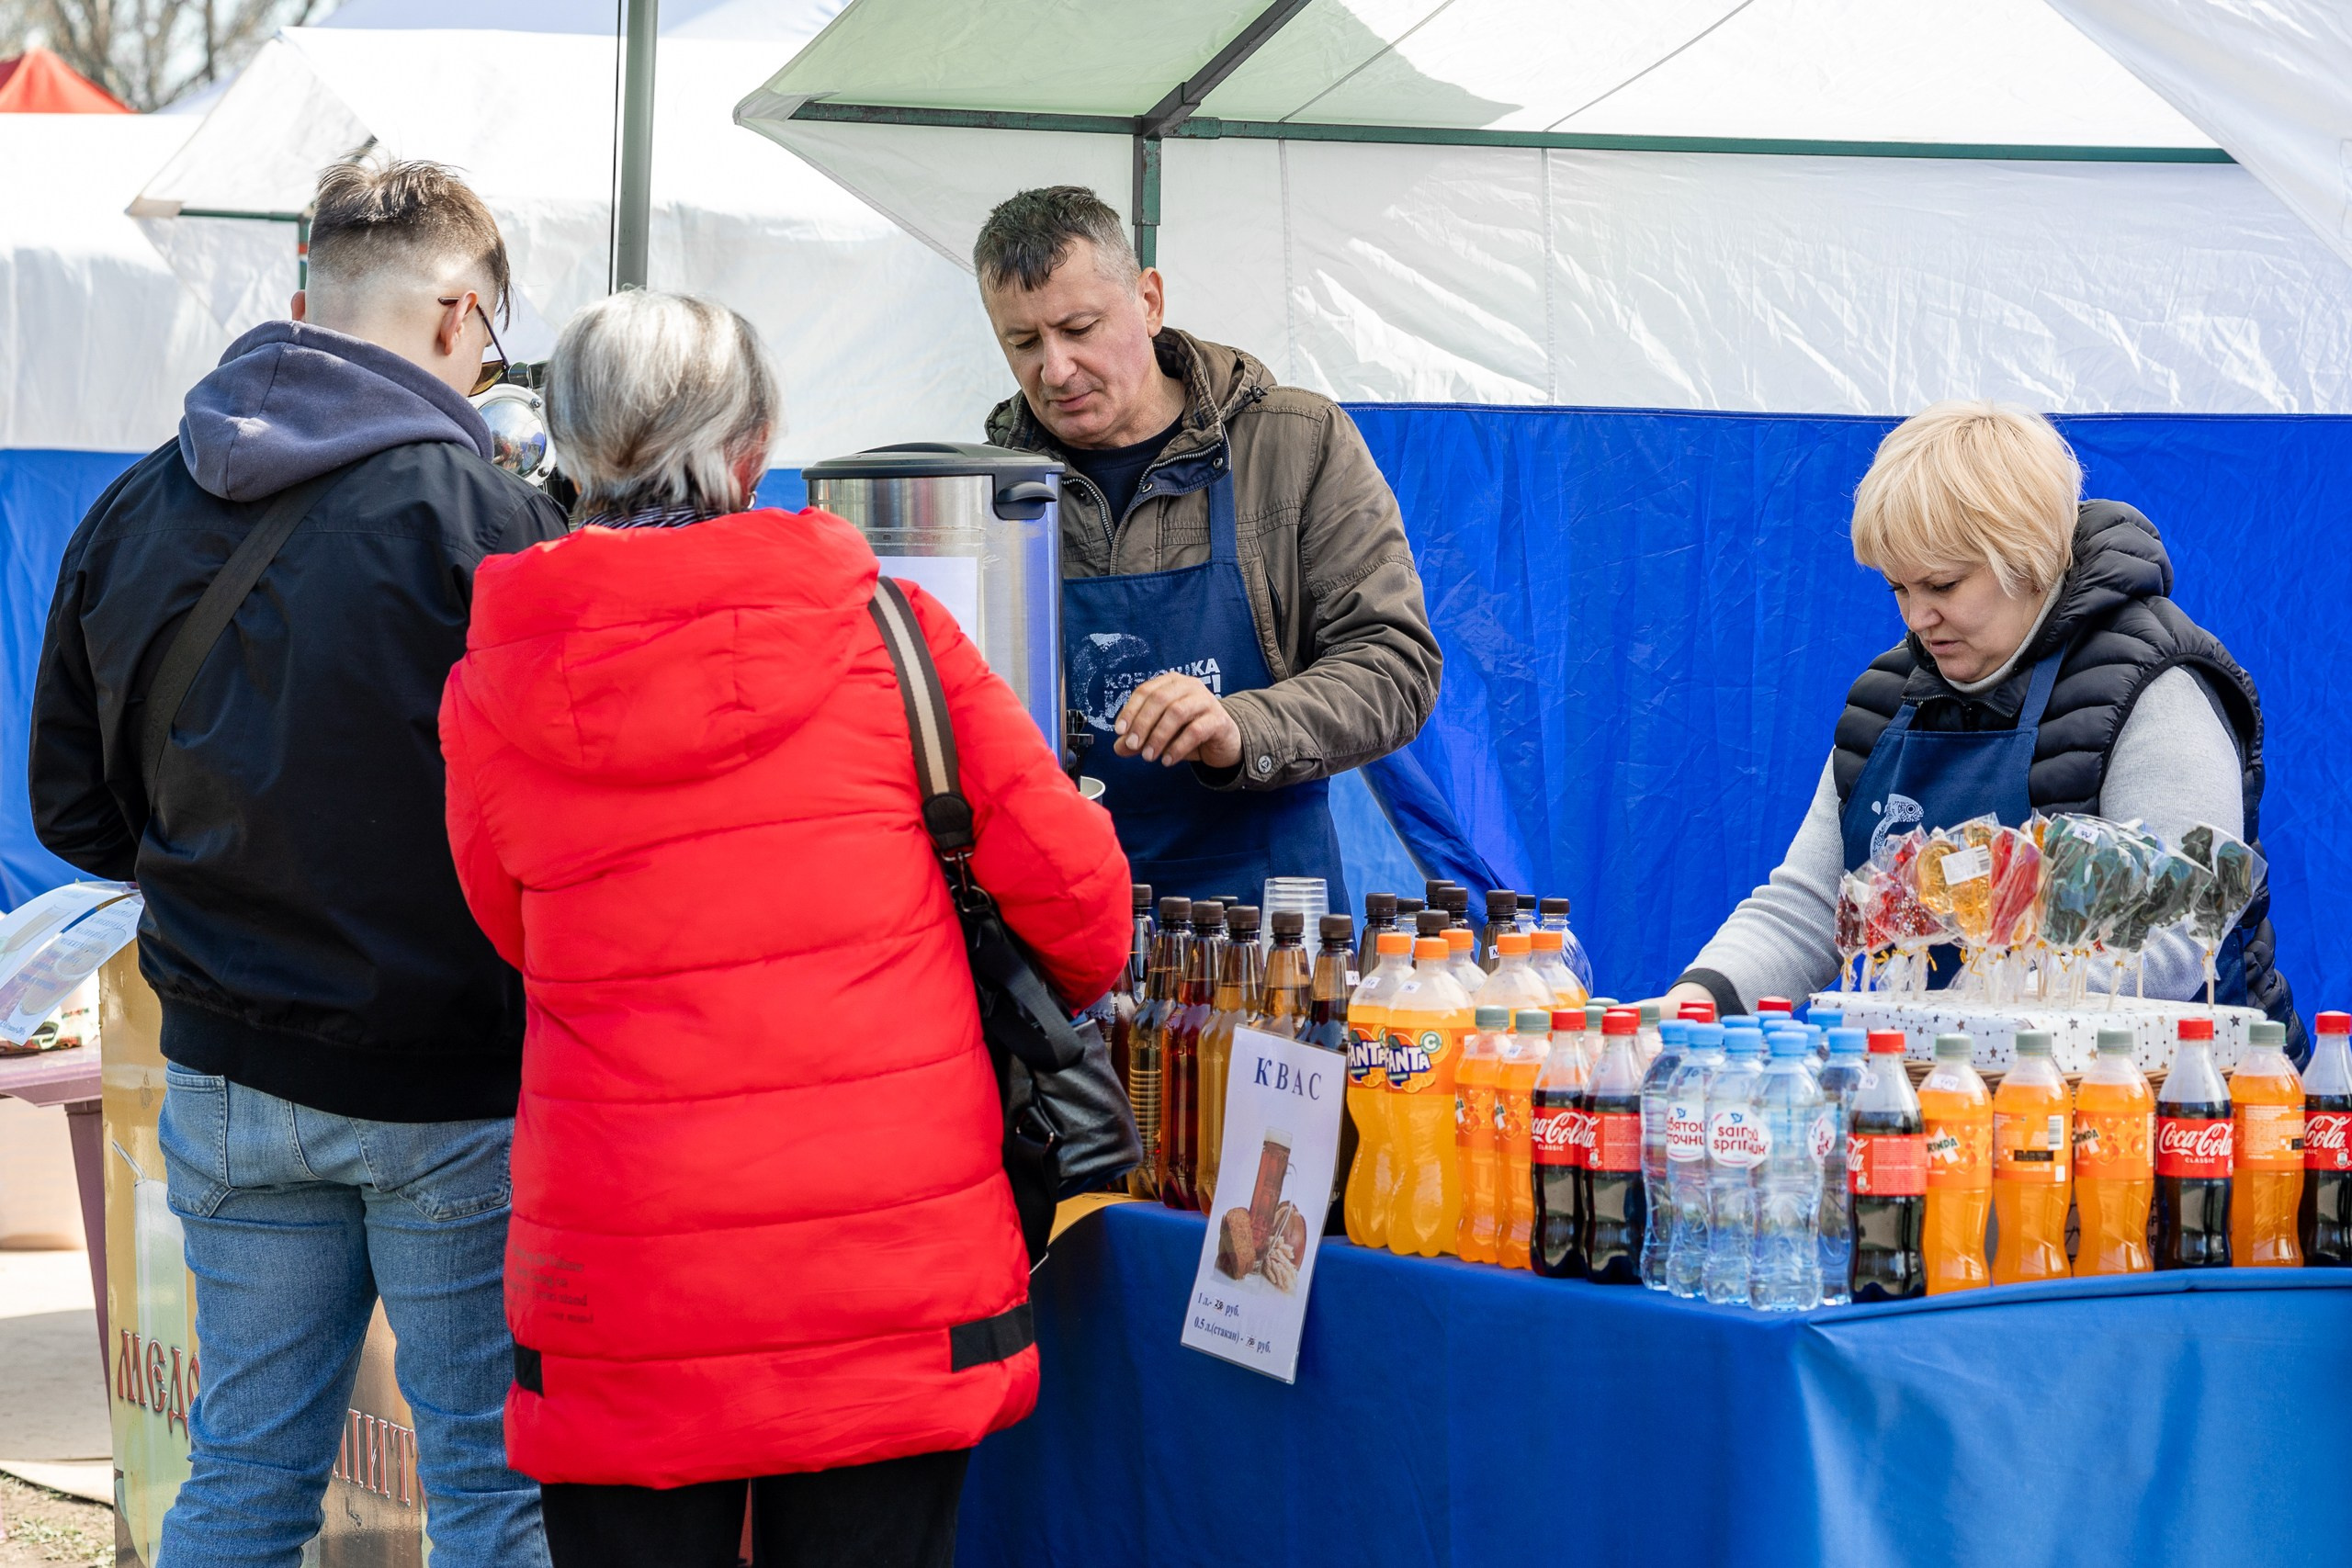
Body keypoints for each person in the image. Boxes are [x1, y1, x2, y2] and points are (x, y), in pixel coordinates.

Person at [437, 289, 1130, 1568]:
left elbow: (512, 928)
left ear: (569, 449)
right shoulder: (890, 632)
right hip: (883, 1257)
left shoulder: (493, 680)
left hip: (621, 1265)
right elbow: (1082, 904)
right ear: (752, 446)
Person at [28, 160, 567, 1564]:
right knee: (492, 1484)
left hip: (224, 1067)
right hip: (445, 1077)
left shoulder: (133, 505)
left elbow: (74, 810)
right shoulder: (485, 518)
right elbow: (559, 813)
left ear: (301, 300)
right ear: (458, 315)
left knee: (245, 1471)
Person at [1666, 400, 2301, 1054]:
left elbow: (2176, 936)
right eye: (1899, 589)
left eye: (1942, 585)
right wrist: (1693, 1004)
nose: (1917, 618)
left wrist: (1967, 1014)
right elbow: (1809, 908)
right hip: (1950, 1083)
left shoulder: (2157, 687)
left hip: (2177, 1093)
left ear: (2024, 558)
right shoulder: (1884, 704)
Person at [974, 186, 1442, 908]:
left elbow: (1395, 664)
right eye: (1025, 343)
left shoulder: (1296, 444)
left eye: (1079, 328)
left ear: (1149, 301)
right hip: (1064, 912)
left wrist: (1243, 725)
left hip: (1267, 919)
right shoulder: (989, 491)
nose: (1056, 369)